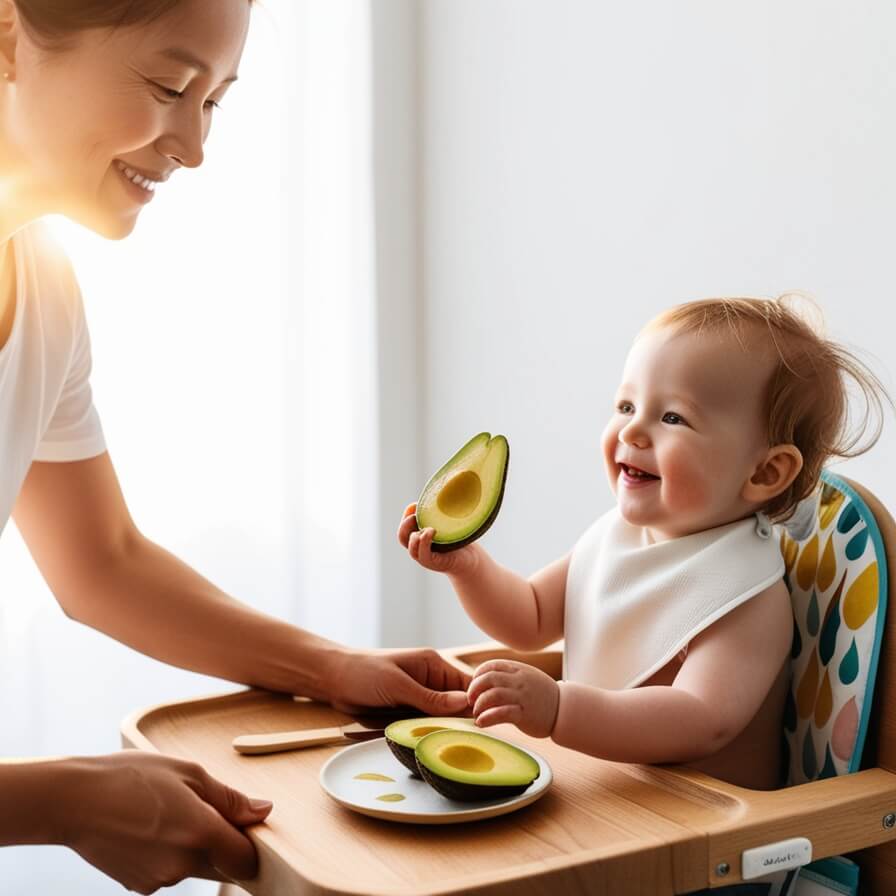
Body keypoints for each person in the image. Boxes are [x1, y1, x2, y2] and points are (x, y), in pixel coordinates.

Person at [0, 2, 470, 892]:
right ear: (6, 37)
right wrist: (59, 802)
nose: (194, 145)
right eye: (169, 86)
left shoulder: (43, 287)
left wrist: (335, 667)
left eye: (214, 101)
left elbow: (101, 561)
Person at [399, 295, 891, 895]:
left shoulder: (749, 595)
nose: (632, 429)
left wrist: (558, 708)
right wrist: (468, 567)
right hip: (610, 813)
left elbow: (699, 720)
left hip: (705, 856)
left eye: (673, 418)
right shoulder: (617, 539)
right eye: (627, 405)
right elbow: (528, 616)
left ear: (764, 473)